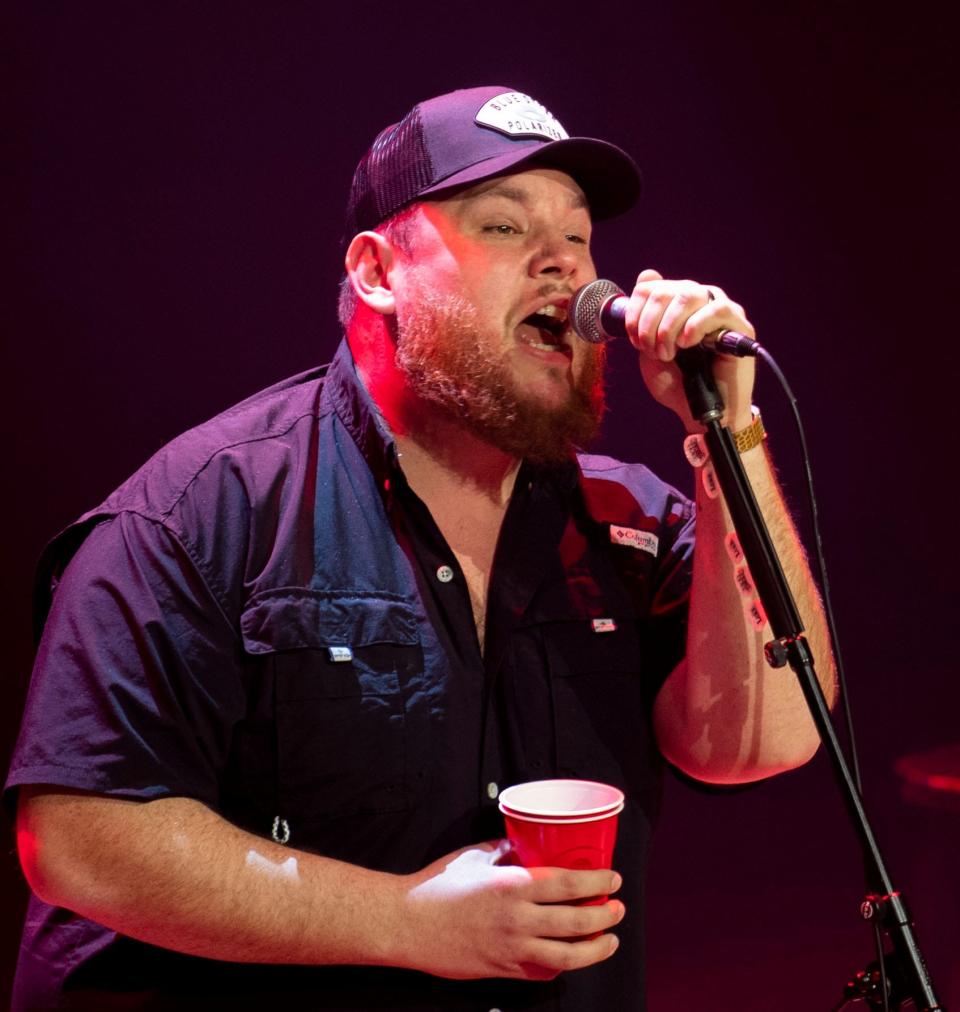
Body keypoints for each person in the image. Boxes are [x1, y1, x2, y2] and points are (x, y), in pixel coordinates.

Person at [6, 86, 836, 1010]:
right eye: (504, 227)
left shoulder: (626, 521)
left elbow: (763, 740)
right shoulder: (205, 511)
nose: (565, 263)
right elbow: (79, 837)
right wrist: (407, 920)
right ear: (377, 270)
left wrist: (730, 433)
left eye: (579, 234)